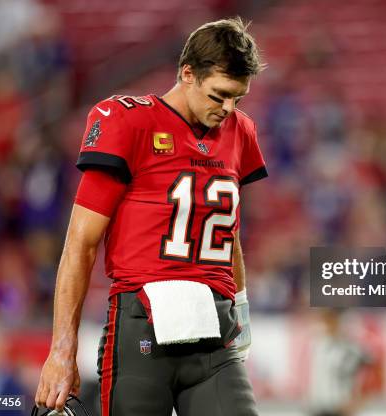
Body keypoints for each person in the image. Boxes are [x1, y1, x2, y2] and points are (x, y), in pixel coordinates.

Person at [34, 17, 266, 416]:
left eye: (238, 99)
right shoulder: (129, 120)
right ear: (187, 73)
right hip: (142, 328)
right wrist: (61, 350)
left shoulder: (240, 131)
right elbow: (81, 242)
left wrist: (241, 308)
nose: (228, 109)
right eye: (220, 95)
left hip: (214, 333)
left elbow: (228, 230)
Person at [308, 310, 371, 416]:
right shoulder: (319, 344)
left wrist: (360, 400)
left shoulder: (350, 348)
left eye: (331, 320)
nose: (327, 325)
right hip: (318, 408)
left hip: (339, 409)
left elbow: (372, 371)